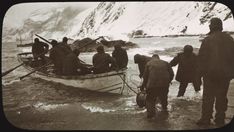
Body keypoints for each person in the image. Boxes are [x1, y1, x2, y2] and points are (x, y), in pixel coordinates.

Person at [196, 17, 234, 126]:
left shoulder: (207, 40)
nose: (209, 26)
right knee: (222, 96)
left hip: (210, 75)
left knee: (208, 97)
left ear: (212, 26)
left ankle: (206, 118)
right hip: (225, 75)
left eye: (210, 24)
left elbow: (202, 59)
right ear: (221, 26)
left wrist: (199, 75)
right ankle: (220, 118)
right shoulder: (230, 39)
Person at [141, 54, 174, 118]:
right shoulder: (166, 63)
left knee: (150, 99)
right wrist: (169, 81)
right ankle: (164, 111)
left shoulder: (148, 63)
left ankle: (151, 115)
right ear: (159, 58)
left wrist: (143, 86)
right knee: (164, 98)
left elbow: (145, 77)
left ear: (152, 58)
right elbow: (172, 74)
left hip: (152, 85)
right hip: (164, 85)